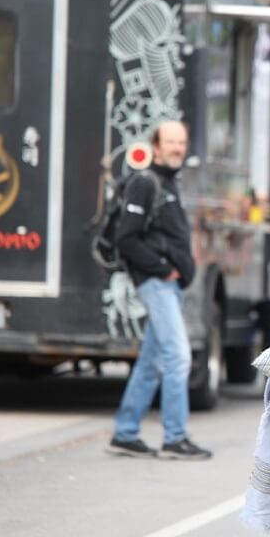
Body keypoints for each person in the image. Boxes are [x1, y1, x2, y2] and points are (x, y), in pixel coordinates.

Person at [107, 121, 212, 460]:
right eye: (170, 141)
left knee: (151, 361)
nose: (177, 147)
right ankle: (175, 437)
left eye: (182, 141)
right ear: (156, 144)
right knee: (178, 357)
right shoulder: (144, 182)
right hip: (156, 284)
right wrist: (163, 269)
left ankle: (125, 433)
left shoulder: (168, 182)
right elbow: (126, 238)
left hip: (169, 286)